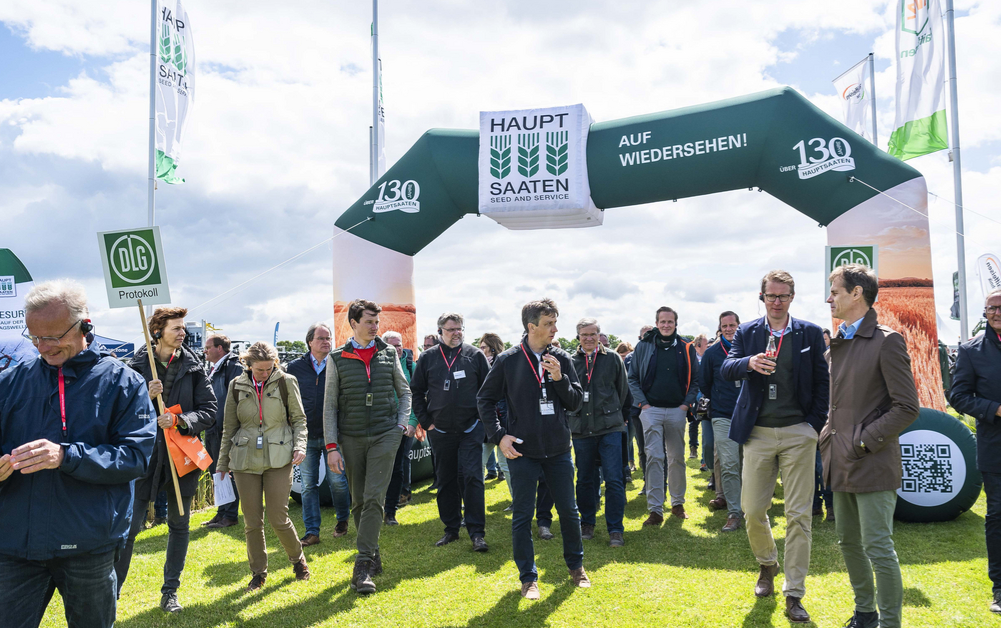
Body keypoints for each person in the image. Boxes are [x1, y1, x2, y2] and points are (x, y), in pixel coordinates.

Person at [0, 280, 156, 628]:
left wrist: (66, 456)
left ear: (85, 325)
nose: (44, 347)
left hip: (89, 546)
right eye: (35, 337)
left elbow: (136, 457)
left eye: (53, 336)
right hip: (15, 546)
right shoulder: (10, 382)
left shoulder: (123, 383)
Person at [721, 270, 829, 623]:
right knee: (752, 511)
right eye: (771, 296)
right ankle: (768, 563)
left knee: (799, 516)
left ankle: (794, 592)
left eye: (783, 296)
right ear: (762, 297)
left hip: (799, 432)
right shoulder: (749, 332)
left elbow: (823, 382)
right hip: (759, 433)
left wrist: (812, 426)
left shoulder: (810, 333)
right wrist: (748, 362)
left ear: (792, 297)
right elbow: (726, 367)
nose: (777, 302)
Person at [823, 264, 919, 628]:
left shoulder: (887, 340)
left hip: (872, 461)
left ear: (856, 293)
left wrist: (863, 440)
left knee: (878, 548)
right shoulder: (836, 343)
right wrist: (829, 437)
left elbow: (907, 407)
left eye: (835, 290)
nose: (829, 298)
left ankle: (890, 622)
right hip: (840, 459)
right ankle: (865, 613)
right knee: (848, 543)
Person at [478, 298, 588, 600]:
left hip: (558, 449)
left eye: (555, 322)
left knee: (569, 510)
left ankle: (576, 567)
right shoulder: (508, 360)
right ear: (531, 326)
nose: (555, 329)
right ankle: (528, 578)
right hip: (522, 452)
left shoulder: (562, 359)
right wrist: (500, 436)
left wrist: (559, 379)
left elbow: (576, 401)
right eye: (549, 323)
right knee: (522, 516)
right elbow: (484, 400)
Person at [115, 307, 216, 613]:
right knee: (129, 529)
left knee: (180, 525)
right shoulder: (135, 366)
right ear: (157, 332)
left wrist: (181, 420)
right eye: (176, 328)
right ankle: (112, 592)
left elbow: (209, 410)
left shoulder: (193, 365)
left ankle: (170, 592)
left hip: (181, 457)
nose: (182, 333)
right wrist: (144, 395)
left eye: (183, 328)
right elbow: (117, 411)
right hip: (144, 458)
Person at [323, 300, 412, 595]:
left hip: (386, 434)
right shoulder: (337, 358)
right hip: (351, 437)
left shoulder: (388, 353)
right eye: (370, 322)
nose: (376, 327)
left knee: (374, 497)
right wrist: (332, 446)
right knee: (359, 501)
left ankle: (361, 566)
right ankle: (373, 553)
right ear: (353, 323)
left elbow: (405, 391)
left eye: (377, 322)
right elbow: (330, 406)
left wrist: (400, 425)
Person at [217, 342, 310, 591]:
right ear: (248, 366)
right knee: (252, 521)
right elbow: (229, 427)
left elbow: (300, 419)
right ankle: (258, 574)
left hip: (279, 457)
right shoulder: (235, 386)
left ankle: (297, 559)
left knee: (278, 517)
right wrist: (222, 463)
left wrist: (300, 445)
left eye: (269, 369)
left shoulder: (287, 381)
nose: (265, 373)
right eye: (260, 370)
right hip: (244, 460)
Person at [411, 313, 491, 550]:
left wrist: (480, 421)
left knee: (473, 478)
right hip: (441, 431)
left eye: (459, 329)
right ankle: (451, 529)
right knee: (445, 480)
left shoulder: (474, 355)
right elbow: (416, 392)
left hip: (470, 429)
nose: (456, 333)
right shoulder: (427, 358)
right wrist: (426, 422)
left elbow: (489, 390)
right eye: (451, 329)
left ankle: (477, 533)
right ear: (440, 332)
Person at [951, 287, 1001, 614]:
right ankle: (1000, 587)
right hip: (996, 448)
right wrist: (995, 409)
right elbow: (958, 396)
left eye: (1000, 307)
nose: (995, 312)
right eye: (991, 308)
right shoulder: (971, 350)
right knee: (998, 516)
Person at [628, 307, 699, 524]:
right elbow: (632, 378)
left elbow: (696, 380)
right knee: (654, 458)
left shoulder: (687, 347)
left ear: (676, 324)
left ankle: (677, 503)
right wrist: (644, 404)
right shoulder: (644, 345)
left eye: (670, 321)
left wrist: (686, 405)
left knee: (677, 458)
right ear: (657, 323)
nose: (666, 325)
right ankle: (655, 509)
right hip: (651, 411)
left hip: (678, 410)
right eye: (662, 321)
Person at [286, 323, 351, 546]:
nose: (326, 341)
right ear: (310, 342)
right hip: (305, 436)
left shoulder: (338, 363)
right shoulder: (294, 368)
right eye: (321, 338)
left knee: (338, 481)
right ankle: (312, 531)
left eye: (328, 338)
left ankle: (342, 519)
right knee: (308, 485)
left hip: (333, 434)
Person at [569, 318, 629, 547]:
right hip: (581, 430)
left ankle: (615, 529)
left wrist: (611, 415)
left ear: (599, 335)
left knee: (614, 479)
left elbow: (622, 391)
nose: (589, 338)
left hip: (609, 428)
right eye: (584, 334)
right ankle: (587, 523)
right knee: (584, 479)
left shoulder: (612, 358)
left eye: (593, 333)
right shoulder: (571, 360)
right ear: (578, 336)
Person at [700, 311, 744, 532]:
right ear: (720, 328)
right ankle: (735, 512)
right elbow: (705, 383)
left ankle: (750, 507)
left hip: (749, 415)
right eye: (724, 325)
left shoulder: (750, 348)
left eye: (732, 325)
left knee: (748, 464)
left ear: (739, 325)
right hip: (723, 415)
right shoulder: (712, 353)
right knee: (729, 463)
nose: (729, 329)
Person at [202, 334, 244, 529]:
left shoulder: (233, 367)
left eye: (208, 347)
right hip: (212, 429)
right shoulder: (214, 368)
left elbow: (236, 400)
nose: (205, 351)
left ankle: (230, 514)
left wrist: (228, 428)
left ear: (220, 348)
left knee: (227, 472)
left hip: (224, 430)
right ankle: (221, 512)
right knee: (216, 472)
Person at [381, 331, 419, 526]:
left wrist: (412, 422)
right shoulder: (377, 364)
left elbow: (417, 396)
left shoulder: (411, 366)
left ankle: (391, 511)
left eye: (399, 344)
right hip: (380, 425)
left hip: (403, 425)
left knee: (397, 467)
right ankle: (377, 506)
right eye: (393, 345)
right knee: (380, 467)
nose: (397, 348)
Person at [479, 333, 513, 500]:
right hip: (487, 423)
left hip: (503, 423)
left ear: (492, 347)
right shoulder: (480, 365)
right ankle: (472, 502)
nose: (481, 350)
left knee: (506, 465)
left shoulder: (504, 365)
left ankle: (518, 502)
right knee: (477, 465)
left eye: (484, 347)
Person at [690, 334, 709, 460]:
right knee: (694, 423)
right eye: (706, 345)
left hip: (704, 398)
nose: (708, 347)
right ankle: (693, 448)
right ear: (698, 345)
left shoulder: (708, 358)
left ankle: (704, 457)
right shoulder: (690, 358)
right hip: (694, 396)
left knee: (705, 425)